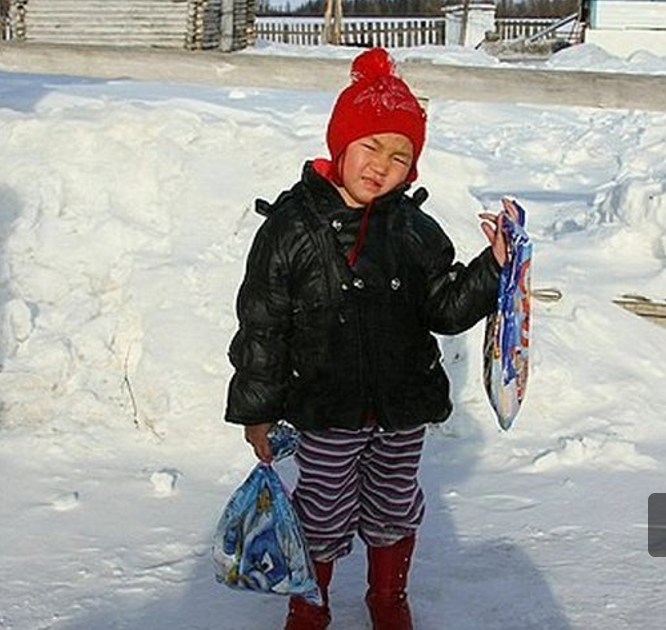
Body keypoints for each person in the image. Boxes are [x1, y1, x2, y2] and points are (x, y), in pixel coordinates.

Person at [225, 47, 514, 630]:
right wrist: (257, 412)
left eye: (400, 155)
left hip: (402, 407)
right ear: (341, 144)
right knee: (322, 514)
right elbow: (263, 324)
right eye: (371, 146)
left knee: (394, 506)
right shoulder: (291, 229)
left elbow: (445, 307)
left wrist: (494, 266)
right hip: (326, 407)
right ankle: (310, 602)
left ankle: (388, 596)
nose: (383, 165)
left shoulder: (415, 229)